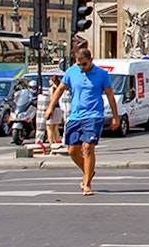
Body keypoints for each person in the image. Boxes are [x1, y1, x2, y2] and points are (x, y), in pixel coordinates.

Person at [45, 48, 119, 196]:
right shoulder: (72, 72)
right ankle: (88, 172)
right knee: (72, 151)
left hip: (94, 115)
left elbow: (110, 95)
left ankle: (87, 183)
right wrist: (50, 107)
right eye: (79, 64)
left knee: (88, 147)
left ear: (91, 60)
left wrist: (115, 116)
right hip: (75, 116)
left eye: (84, 64)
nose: (82, 67)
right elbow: (59, 89)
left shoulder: (101, 74)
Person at [45, 75, 65, 144]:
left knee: (49, 127)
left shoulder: (51, 89)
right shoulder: (60, 88)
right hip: (59, 108)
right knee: (55, 127)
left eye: (49, 80)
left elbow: (51, 99)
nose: (48, 81)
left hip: (53, 109)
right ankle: (57, 142)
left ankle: (51, 143)